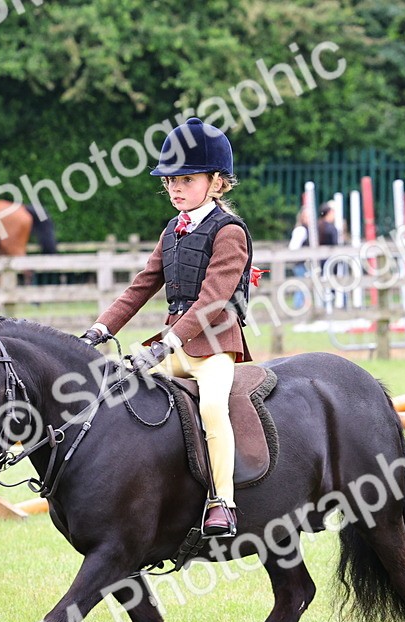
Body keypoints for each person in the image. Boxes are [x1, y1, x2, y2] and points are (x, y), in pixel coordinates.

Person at [79, 118, 252, 538]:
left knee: (212, 409)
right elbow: (141, 286)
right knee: (122, 398)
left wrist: (168, 340)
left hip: (214, 348)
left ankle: (222, 502)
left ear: (217, 183)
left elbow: (212, 299)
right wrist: (99, 330)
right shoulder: (171, 231)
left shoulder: (229, 233)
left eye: (186, 179)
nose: (175, 188)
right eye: (170, 180)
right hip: (173, 349)